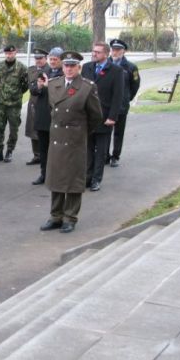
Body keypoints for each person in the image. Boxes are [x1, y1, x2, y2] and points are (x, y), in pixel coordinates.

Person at [40, 51, 103, 234]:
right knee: (56, 178)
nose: (68, 69)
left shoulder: (86, 87)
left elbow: (96, 117)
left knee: (73, 180)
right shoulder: (53, 84)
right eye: (66, 65)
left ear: (79, 67)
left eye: (72, 66)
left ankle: (70, 218)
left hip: (75, 140)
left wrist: (80, 131)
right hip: (57, 139)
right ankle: (56, 216)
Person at [81, 42, 124, 192]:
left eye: (98, 52)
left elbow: (118, 96)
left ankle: (96, 179)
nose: (94, 54)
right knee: (87, 149)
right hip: (88, 117)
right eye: (93, 51)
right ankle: (87, 176)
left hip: (105, 117)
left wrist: (112, 117)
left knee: (101, 151)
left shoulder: (116, 71)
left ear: (106, 54)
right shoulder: (86, 67)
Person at [29, 47, 63, 185]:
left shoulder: (64, 74)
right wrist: (38, 86)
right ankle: (44, 174)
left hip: (57, 117)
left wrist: (48, 87)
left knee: (57, 149)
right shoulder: (44, 72)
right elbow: (33, 91)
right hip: (43, 116)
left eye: (56, 59)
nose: (53, 62)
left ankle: (57, 175)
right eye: (51, 59)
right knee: (43, 149)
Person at [0, 45, 28, 163]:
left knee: (13, 129)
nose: (9, 55)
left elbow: (25, 84)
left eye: (11, 53)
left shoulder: (22, 67)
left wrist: (16, 93)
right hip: (1, 102)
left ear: (15, 53)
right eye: (7, 53)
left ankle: (10, 151)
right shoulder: (0, 66)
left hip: (14, 104)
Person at [108, 38, 140, 167]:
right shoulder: (105, 64)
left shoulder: (131, 67)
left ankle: (115, 156)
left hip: (121, 105)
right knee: (105, 132)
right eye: (113, 50)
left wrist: (127, 98)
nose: (115, 52)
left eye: (118, 50)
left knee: (118, 132)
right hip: (106, 104)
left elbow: (135, 85)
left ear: (123, 51)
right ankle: (105, 155)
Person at [25, 49, 50, 165]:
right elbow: (27, 85)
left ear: (46, 58)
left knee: (43, 130)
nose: (38, 60)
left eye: (40, 58)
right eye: (36, 58)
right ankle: (36, 155)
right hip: (32, 102)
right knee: (32, 129)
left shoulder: (50, 70)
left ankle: (45, 155)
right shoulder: (31, 70)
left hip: (44, 103)